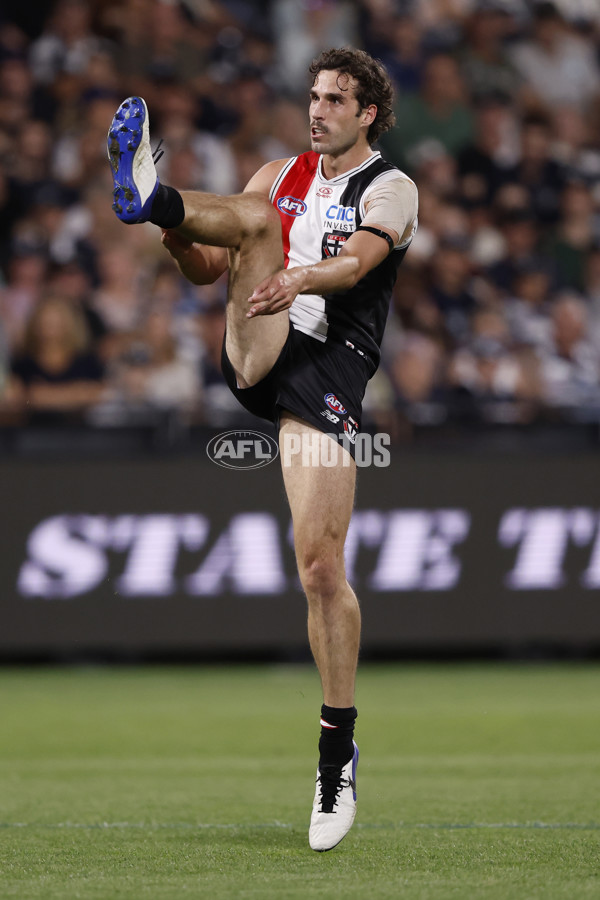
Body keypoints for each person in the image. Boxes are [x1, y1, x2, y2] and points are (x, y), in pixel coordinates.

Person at [107, 47, 418, 852]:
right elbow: (210, 268)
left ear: (368, 114)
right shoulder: (277, 172)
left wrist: (299, 279)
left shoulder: (390, 186)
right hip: (258, 343)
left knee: (319, 567)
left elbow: (360, 263)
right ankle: (151, 197)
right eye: (313, 96)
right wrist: (174, 236)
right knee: (250, 220)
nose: (318, 110)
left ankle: (336, 750)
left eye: (336, 100)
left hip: (330, 367)